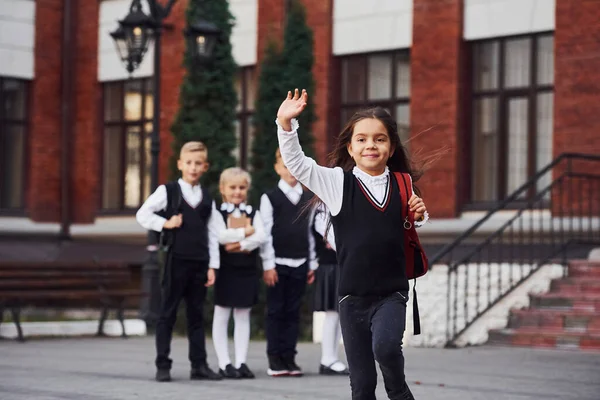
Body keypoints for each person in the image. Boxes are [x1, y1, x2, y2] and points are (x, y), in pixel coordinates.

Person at [275, 89, 429, 399]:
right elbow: (299, 164)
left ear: (391, 146)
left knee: (386, 350)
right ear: (350, 146)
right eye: (362, 139)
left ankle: (398, 389)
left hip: (392, 292)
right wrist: (285, 123)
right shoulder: (336, 182)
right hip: (351, 297)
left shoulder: (402, 182)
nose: (370, 144)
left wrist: (420, 214)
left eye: (379, 138)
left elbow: (413, 221)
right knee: (361, 386)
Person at [136, 141, 222, 383]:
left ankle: (199, 366)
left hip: (200, 263)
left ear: (205, 167)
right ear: (180, 164)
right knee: (168, 314)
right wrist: (165, 223)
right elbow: (143, 214)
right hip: (176, 261)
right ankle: (163, 365)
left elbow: (214, 233)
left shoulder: (206, 197)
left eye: (198, 164)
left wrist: (212, 266)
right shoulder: (169, 191)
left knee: (196, 316)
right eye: (189, 163)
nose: (193, 168)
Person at [260, 148, 317, 377]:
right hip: (277, 264)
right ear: (277, 168)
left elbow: (311, 233)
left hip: (301, 262)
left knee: (293, 312)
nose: (290, 171)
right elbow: (265, 234)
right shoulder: (270, 198)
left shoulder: (307, 199)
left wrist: (312, 263)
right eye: (284, 166)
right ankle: (275, 359)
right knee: (276, 311)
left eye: (293, 166)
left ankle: (290, 358)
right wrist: (268, 265)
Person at [211, 167, 265, 379]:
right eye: (232, 187)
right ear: (223, 189)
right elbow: (221, 236)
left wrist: (238, 244)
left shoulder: (254, 212)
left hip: (246, 269)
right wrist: (246, 232)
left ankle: (241, 362)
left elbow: (261, 236)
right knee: (222, 314)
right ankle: (225, 363)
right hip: (226, 269)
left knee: (243, 315)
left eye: (241, 187)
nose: (237, 191)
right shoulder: (218, 213)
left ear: (247, 189)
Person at [311, 205, 349, 376]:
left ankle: (332, 357)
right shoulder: (321, 212)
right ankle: (327, 358)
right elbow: (336, 240)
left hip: (343, 264)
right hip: (331, 266)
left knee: (341, 314)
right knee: (332, 313)